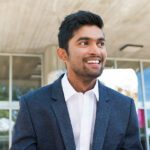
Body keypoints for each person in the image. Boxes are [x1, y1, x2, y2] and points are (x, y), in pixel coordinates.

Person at [11, 10, 143, 150]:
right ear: (63, 54)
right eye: (84, 43)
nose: (96, 51)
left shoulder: (124, 106)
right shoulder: (33, 105)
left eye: (100, 43)